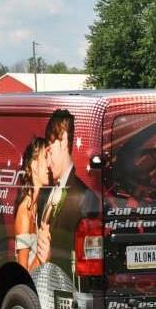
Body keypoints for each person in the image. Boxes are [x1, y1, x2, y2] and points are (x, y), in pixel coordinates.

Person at [35, 109, 96, 267]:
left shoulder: (84, 197)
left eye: (49, 151)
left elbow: (86, 257)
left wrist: (51, 258)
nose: (47, 163)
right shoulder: (47, 194)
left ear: (63, 140)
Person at [14, 137, 51, 271]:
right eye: (45, 158)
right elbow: (22, 275)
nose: (49, 164)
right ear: (34, 166)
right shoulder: (24, 213)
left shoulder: (36, 206)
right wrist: (41, 256)